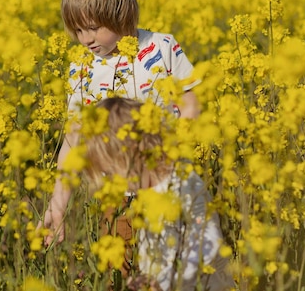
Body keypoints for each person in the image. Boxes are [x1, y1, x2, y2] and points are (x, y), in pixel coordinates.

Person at [39, 0, 200, 245]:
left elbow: (190, 104)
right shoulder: (81, 67)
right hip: (117, 196)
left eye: (92, 28)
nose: (86, 39)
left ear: (119, 12)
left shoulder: (162, 48)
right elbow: (74, 139)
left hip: (170, 188)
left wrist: (175, 151)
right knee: (120, 273)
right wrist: (58, 204)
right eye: (77, 31)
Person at [83, 97, 234, 291]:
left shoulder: (183, 184)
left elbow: (208, 242)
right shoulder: (147, 194)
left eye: (111, 173)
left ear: (135, 152)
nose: (110, 183)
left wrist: (165, 281)